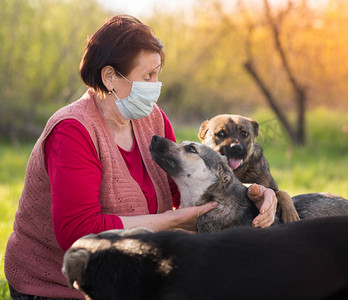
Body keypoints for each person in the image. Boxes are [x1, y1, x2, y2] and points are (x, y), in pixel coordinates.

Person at [4, 15, 277, 299]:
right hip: (60, 285)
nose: (155, 85)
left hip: (132, 273)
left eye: (157, 73)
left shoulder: (152, 119)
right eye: (148, 76)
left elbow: (187, 186)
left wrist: (253, 196)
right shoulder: (73, 131)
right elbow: (78, 233)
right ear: (110, 77)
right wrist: (172, 222)